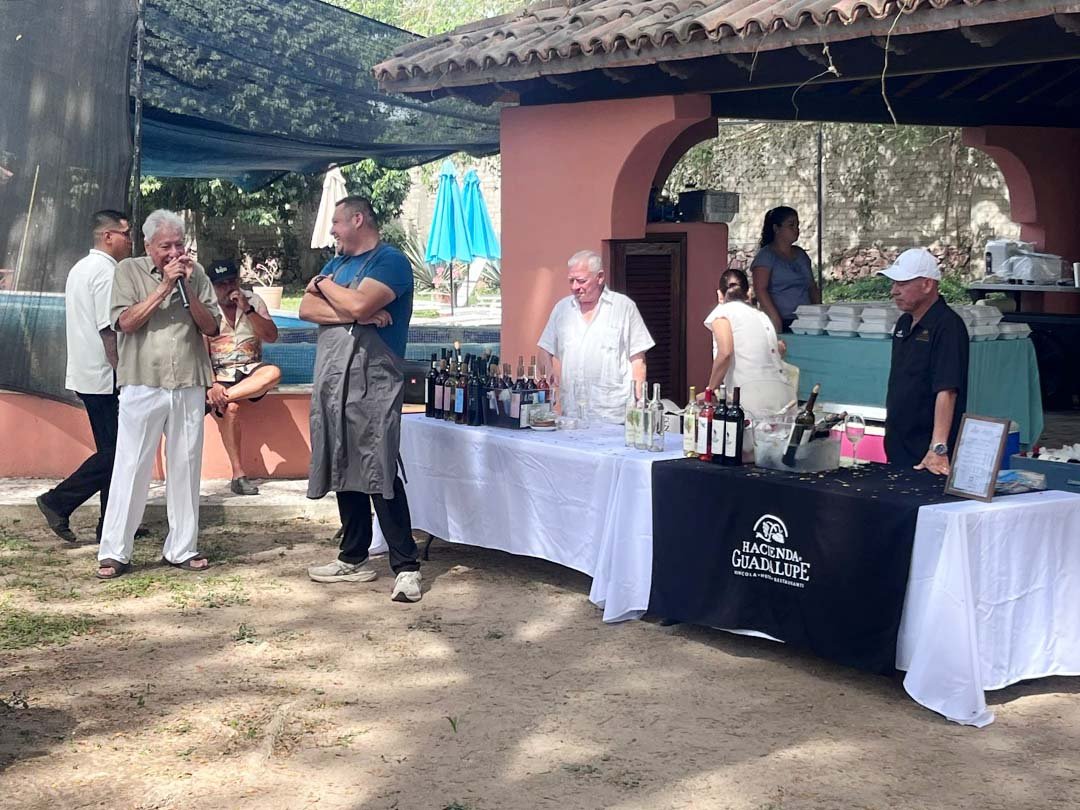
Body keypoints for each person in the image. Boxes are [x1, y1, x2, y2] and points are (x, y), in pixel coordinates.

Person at [301, 196, 422, 603]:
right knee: (342, 459)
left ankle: (406, 567)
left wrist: (328, 290)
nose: (331, 230)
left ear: (357, 220)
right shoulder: (336, 265)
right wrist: (353, 312)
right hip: (334, 379)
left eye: (336, 222)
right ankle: (352, 558)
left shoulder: (389, 262)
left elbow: (358, 301)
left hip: (374, 379)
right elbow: (304, 309)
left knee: (378, 464)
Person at [95, 210, 220, 579]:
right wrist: (164, 286)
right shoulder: (127, 272)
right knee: (131, 465)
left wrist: (186, 289)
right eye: (165, 246)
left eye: (179, 244)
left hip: (188, 381)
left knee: (185, 464)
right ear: (148, 245)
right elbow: (125, 322)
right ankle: (115, 550)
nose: (174, 252)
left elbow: (211, 326)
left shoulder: (195, 274)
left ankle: (182, 547)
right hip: (142, 382)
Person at [36, 210, 132, 543]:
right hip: (106, 376)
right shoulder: (106, 273)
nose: (130, 241)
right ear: (108, 236)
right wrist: (124, 373)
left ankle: (112, 523)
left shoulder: (81, 268)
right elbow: (110, 331)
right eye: (126, 234)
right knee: (119, 453)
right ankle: (57, 501)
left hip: (87, 373)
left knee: (114, 451)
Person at [879, 248, 969, 475]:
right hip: (898, 443)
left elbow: (947, 390)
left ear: (927, 285)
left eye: (902, 284)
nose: (894, 291)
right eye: (893, 284)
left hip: (927, 451)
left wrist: (938, 448)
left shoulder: (948, 325)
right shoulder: (903, 323)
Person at [537, 250, 654, 423]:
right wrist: (550, 377)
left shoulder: (624, 307)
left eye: (581, 281)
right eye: (571, 281)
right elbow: (544, 348)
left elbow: (638, 358)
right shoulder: (562, 309)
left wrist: (640, 401)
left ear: (599, 277)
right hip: (572, 414)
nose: (575, 287)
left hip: (614, 415)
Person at [205, 260, 282, 496]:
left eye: (231, 281)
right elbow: (200, 350)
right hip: (219, 372)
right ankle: (238, 475)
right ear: (212, 286)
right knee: (232, 409)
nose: (228, 288)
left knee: (273, 373)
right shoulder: (205, 307)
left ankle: (217, 401)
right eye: (221, 285)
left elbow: (272, 336)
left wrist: (247, 308)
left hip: (250, 370)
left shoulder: (254, 302)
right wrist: (212, 383)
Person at [702, 268, 795, 418]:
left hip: (750, 398)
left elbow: (725, 352)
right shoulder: (761, 316)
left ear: (719, 294)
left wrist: (710, 390)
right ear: (749, 293)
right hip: (782, 394)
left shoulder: (722, 314)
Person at [750, 206, 821, 333]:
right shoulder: (766, 256)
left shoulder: (801, 255)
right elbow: (760, 290)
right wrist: (775, 319)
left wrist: (819, 313)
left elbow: (811, 286)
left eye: (797, 225)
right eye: (791, 225)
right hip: (782, 320)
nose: (796, 230)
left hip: (805, 321)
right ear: (776, 228)